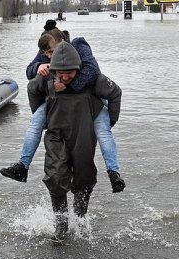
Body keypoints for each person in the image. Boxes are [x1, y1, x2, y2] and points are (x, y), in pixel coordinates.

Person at [1, 26, 125, 193]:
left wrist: (111, 120)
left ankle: (113, 172)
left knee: (103, 133)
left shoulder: (79, 46)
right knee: (35, 125)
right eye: (47, 55)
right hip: (56, 112)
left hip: (90, 108)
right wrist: (40, 66)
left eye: (51, 53)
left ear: (62, 42)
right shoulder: (47, 52)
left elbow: (94, 71)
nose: (49, 56)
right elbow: (31, 78)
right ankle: (22, 165)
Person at [29, 41, 121, 242]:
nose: (64, 77)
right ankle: (61, 226)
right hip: (56, 135)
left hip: (83, 135)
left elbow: (115, 93)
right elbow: (32, 89)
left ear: (78, 68)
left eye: (69, 73)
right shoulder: (47, 80)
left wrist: (109, 121)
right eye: (60, 73)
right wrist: (40, 116)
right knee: (55, 177)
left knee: (84, 178)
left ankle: (80, 219)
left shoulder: (92, 80)